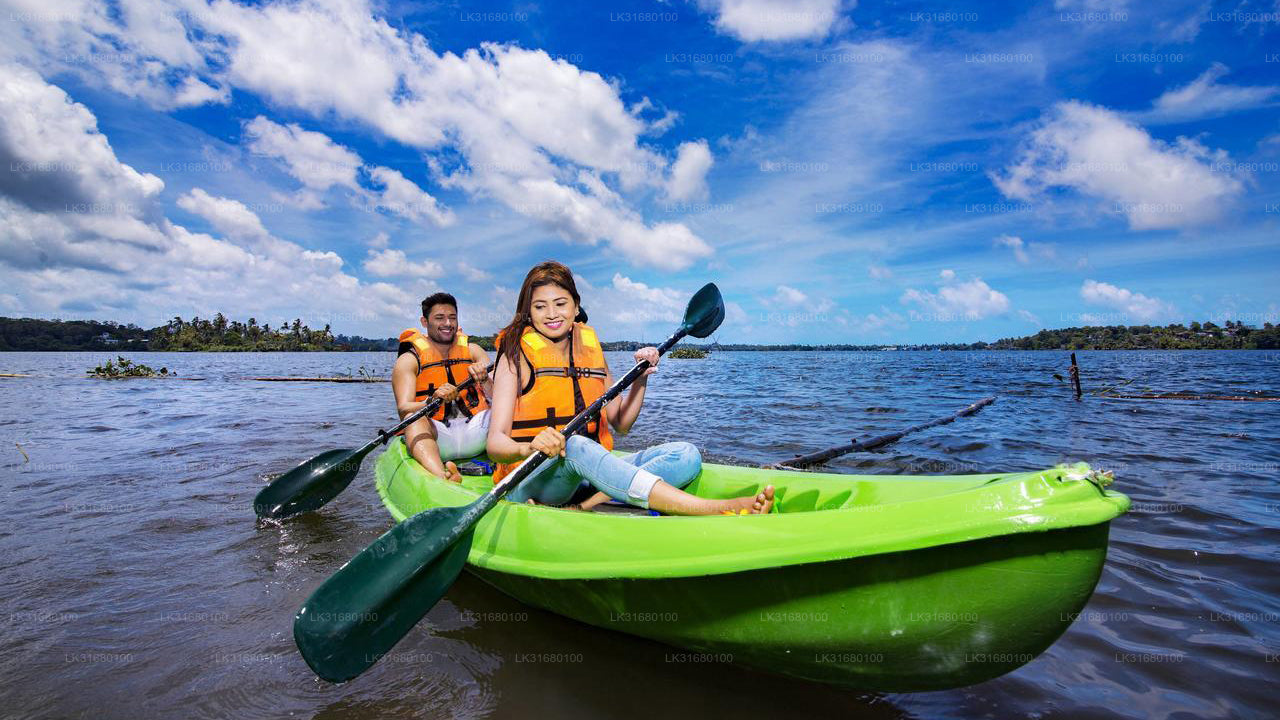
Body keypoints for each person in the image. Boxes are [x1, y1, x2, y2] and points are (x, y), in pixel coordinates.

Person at [486, 261, 773, 515]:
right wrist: (529, 447)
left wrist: (641, 379)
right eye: (540, 306)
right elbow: (495, 444)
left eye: (560, 303)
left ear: (575, 306)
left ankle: (586, 506)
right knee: (573, 444)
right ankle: (714, 509)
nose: (551, 314)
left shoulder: (589, 349)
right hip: (530, 479)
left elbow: (621, 423)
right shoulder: (514, 356)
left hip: (583, 481)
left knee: (686, 455)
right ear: (528, 312)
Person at [393, 292, 492, 483]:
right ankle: (443, 476)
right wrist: (431, 400)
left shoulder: (474, 351)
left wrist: (485, 379)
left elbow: (499, 396)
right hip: (439, 437)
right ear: (424, 322)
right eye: (439, 318)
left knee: (510, 407)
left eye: (452, 317)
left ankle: (517, 463)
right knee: (412, 418)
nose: (447, 323)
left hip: (477, 431)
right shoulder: (408, 360)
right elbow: (403, 408)